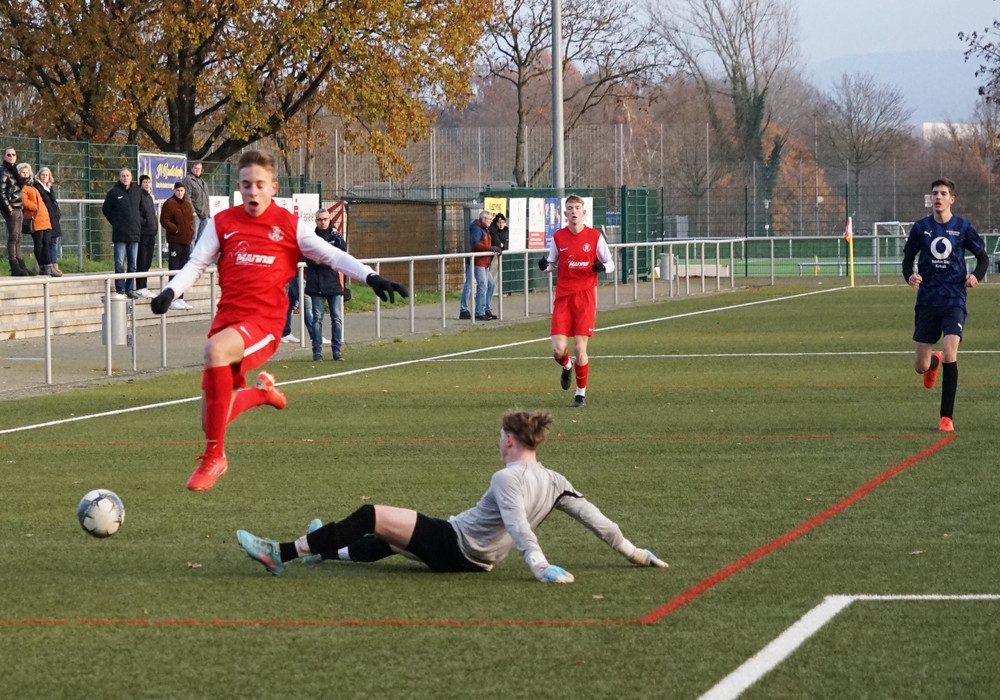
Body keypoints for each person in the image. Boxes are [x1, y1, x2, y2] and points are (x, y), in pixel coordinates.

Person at [149, 150, 407, 492]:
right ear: (239, 187)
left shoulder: (288, 225)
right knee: (212, 420)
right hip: (228, 320)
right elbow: (196, 263)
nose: (252, 191)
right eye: (246, 185)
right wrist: (171, 291)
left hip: (264, 321)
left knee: (215, 351)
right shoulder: (223, 223)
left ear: (273, 187)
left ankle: (215, 457)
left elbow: (331, 255)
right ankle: (261, 394)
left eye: (260, 184)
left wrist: (370, 276)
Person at [236, 409, 668, 580]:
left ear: (510, 440)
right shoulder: (555, 480)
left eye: (500, 437)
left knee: (371, 515)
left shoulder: (507, 479)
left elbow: (518, 525)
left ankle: (281, 552)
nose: (498, 443)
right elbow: (596, 519)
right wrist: (633, 552)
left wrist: (539, 566)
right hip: (476, 559)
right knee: (388, 538)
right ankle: (323, 549)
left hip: (455, 545)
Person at [902, 177, 989, 432]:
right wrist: (910, 276)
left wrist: (976, 276)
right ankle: (933, 362)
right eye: (934, 193)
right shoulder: (921, 228)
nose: (937, 197)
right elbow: (907, 259)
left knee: (951, 351)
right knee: (920, 366)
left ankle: (946, 418)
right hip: (928, 300)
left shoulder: (963, 227)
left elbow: (982, 258)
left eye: (942, 193)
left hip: (954, 299)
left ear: (952, 199)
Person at [538, 194, 615, 408]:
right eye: (570, 208)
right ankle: (566, 366)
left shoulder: (595, 237)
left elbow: (610, 263)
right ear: (565, 213)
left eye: (577, 208)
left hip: (585, 297)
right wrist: (545, 266)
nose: (574, 211)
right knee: (558, 349)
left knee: (580, 348)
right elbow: (551, 264)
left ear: (583, 212)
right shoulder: (558, 237)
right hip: (563, 298)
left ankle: (580, 393)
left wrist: (603, 267)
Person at [305, 208, 348, 361]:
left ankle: (337, 350)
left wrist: (322, 258)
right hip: (316, 284)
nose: (323, 222)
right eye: (320, 219)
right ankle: (317, 352)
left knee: (337, 318)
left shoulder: (336, 236)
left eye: (325, 219)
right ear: (315, 221)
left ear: (329, 219)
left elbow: (341, 254)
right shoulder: (310, 238)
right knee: (317, 318)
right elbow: (308, 258)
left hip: (333, 283)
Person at [102, 168, 142, 297]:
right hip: (120, 234)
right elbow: (106, 210)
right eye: (123, 176)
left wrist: (138, 222)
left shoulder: (137, 191)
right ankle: (120, 288)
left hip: (134, 233)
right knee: (119, 263)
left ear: (131, 177)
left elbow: (141, 209)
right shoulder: (113, 193)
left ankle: (129, 289)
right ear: (119, 178)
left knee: (133, 264)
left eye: (127, 175)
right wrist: (116, 222)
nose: (125, 178)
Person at [158, 182, 195, 310]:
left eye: (182, 190)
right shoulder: (169, 203)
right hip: (175, 241)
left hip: (186, 241)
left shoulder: (187, 204)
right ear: (174, 191)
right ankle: (172, 299)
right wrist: (175, 229)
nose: (180, 193)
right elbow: (164, 220)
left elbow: (190, 221)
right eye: (178, 190)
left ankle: (180, 298)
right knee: (174, 269)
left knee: (183, 271)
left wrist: (191, 232)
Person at [18, 163, 55, 276]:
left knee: (46, 243)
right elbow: (24, 201)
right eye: (23, 172)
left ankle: (48, 266)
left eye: (27, 172)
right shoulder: (23, 187)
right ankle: (43, 266)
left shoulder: (33, 186)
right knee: (39, 243)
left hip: (44, 218)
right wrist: (36, 207)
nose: (25, 174)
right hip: (35, 218)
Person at [1, 147, 28, 276]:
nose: (11, 156)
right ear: (4, 156)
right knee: (13, 236)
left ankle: (21, 264)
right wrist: (9, 209)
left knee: (18, 237)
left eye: (13, 154)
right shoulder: (4, 171)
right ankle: (14, 266)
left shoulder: (14, 170)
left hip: (18, 206)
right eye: (9, 154)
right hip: (12, 208)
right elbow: (1, 192)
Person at [471, 209, 500, 321]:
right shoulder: (477, 228)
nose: (491, 221)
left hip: (485, 263)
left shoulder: (485, 229)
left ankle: (486, 308)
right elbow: (475, 243)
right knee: (482, 286)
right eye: (489, 219)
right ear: (483, 219)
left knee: (491, 284)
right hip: (479, 263)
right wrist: (490, 248)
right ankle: (479, 312)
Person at [35, 167, 63, 276]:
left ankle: (54, 264)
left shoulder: (50, 188)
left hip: (54, 218)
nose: (44, 177)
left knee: (54, 241)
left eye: (46, 175)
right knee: (47, 242)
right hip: (45, 218)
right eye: (42, 175)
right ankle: (49, 265)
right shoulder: (38, 187)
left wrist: (58, 213)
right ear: (39, 176)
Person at [135, 174, 158, 298]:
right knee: (142, 261)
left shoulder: (149, 197)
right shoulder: (138, 196)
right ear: (140, 183)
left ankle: (144, 286)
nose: (147, 184)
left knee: (148, 261)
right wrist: (145, 222)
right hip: (143, 234)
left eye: (149, 182)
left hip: (151, 233)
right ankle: (140, 287)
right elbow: (136, 213)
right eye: (145, 182)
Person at [183, 160, 210, 243]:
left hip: (204, 214)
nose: (197, 170)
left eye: (199, 169)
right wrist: (193, 211)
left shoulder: (202, 182)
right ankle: (191, 252)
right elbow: (186, 196)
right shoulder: (188, 180)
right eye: (195, 168)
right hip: (195, 214)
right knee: (192, 237)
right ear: (191, 169)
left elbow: (206, 198)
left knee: (201, 239)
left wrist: (208, 213)